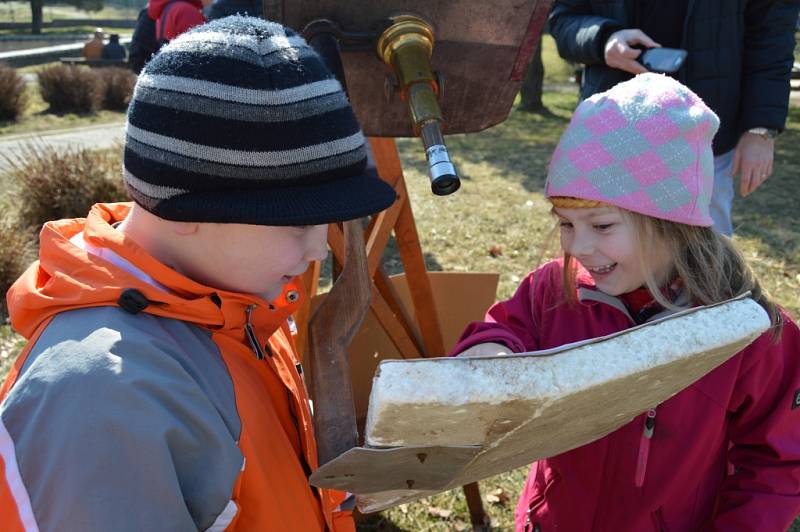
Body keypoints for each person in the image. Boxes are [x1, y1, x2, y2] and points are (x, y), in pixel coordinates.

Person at [0, 16, 396, 531]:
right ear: (184, 211)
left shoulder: (232, 306)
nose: (320, 246)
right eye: (296, 221)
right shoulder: (100, 401)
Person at [451, 74, 800, 531]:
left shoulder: (746, 332)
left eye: (600, 226)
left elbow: (775, 462)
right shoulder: (553, 292)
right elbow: (504, 330)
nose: (578, 247)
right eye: (566, 224)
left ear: (671, 222)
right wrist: (489, 354)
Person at [548, 0, 800, 236]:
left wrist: (761, 128)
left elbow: (772, 37)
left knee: (703, 260)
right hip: (609, 133)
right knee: (602, 255)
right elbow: (564, 19)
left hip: (707, 138)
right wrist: (603, 39)